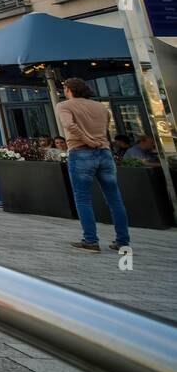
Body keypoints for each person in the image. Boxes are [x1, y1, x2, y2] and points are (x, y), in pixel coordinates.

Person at [55, 78, 130, 253]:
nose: (64, 91)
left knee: (83, 198)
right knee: (115, 199)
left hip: (81, 152)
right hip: (104, 153)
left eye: (65, 88)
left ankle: (91, 241)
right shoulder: (101, 107)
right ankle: (123, 241)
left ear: (69, 90)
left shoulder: (64, 105)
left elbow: (68, 125)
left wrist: (87, 140)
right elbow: (105, 127)